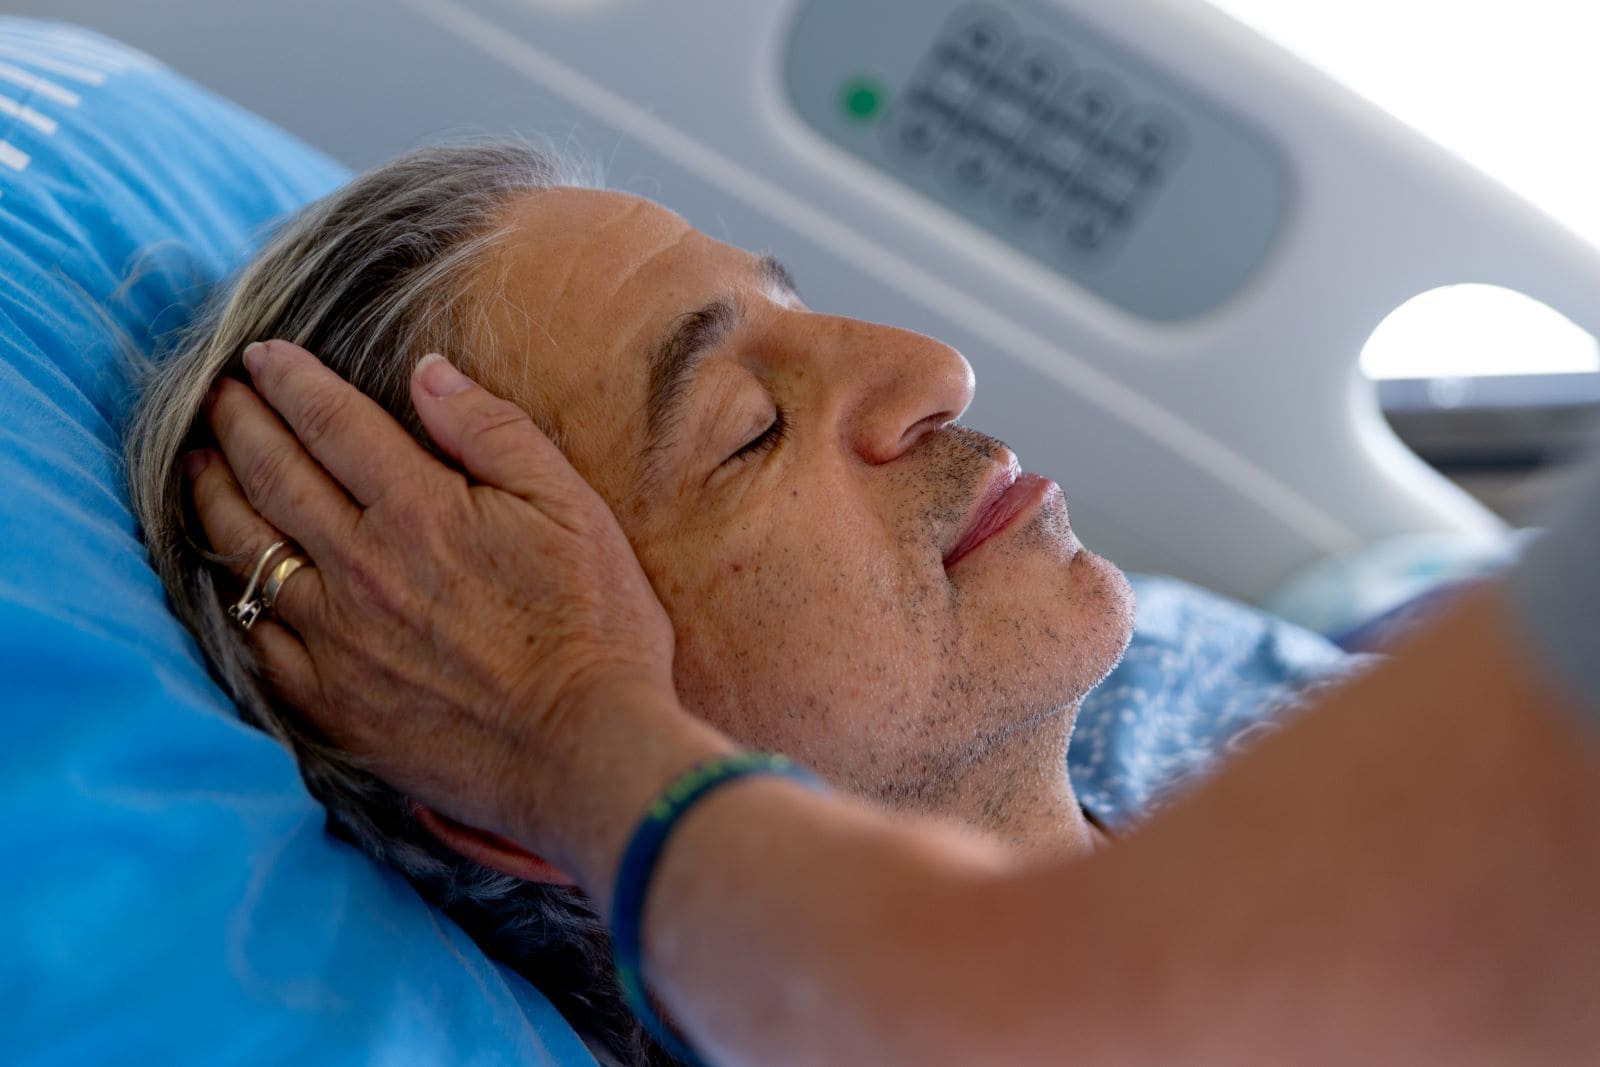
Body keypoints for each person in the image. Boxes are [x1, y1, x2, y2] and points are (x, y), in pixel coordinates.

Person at [133, 140, 1340, 1064]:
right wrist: (573, 727)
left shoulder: (1288, 728)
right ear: (477, 717)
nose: (933, 367)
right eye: (749, 432)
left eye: (802, 310)